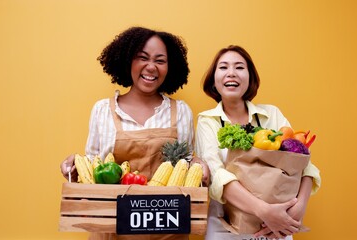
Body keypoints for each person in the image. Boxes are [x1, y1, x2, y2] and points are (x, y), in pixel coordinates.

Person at [60, 26, 209, 240]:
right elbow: (92, 168)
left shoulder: (181, 111)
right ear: (128, 60)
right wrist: (74, 165)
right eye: (143, 58)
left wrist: (200, 164)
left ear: (170, 67)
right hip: (111, 230)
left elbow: (186, 164)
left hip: (167, 230)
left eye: (160, 60)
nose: (151, 67)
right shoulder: (102, 110)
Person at [195, 45, 321, 240]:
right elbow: (215, 175)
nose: (231, 73)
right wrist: (264, 211)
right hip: (225, 227)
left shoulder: (271, 115)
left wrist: (299, 208)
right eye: (223, 67)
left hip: (278, 226)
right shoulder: (207, 121)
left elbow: (304, 164)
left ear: (250, 77)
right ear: (213, 79)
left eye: (239, 67)